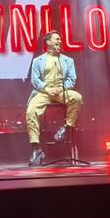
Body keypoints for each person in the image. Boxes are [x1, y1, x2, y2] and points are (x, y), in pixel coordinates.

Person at [26, 30, 83, 166]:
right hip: (43, 92)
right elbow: (35, 80)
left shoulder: (68, 60)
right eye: (56, 39)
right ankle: (36, 149)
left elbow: (72, 80)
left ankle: (65, 128)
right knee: (31, 111)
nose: (59, 41)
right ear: (48, 42)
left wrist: (60, 88)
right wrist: (47, 89)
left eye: (60, 39)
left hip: (61, 90)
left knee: (77, 97)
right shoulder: (37, 61)